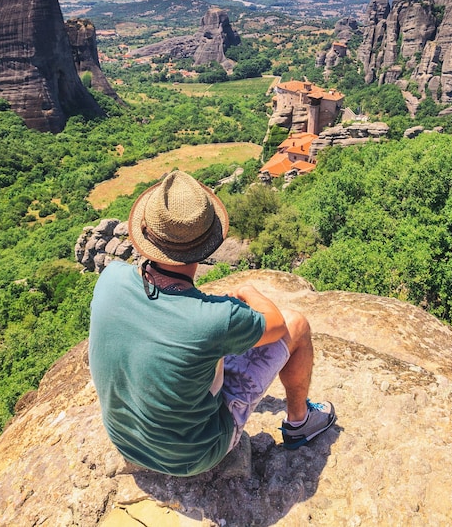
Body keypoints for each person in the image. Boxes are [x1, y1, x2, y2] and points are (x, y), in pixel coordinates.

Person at [89, 170, 336, 477]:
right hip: (194, 456)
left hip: (126, 441)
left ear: (144, 234)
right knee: (297, 324)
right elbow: (277, 326)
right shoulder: (215, 318)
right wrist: (251, 293)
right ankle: (300, 424)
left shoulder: (110, 277)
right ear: (208, 244)